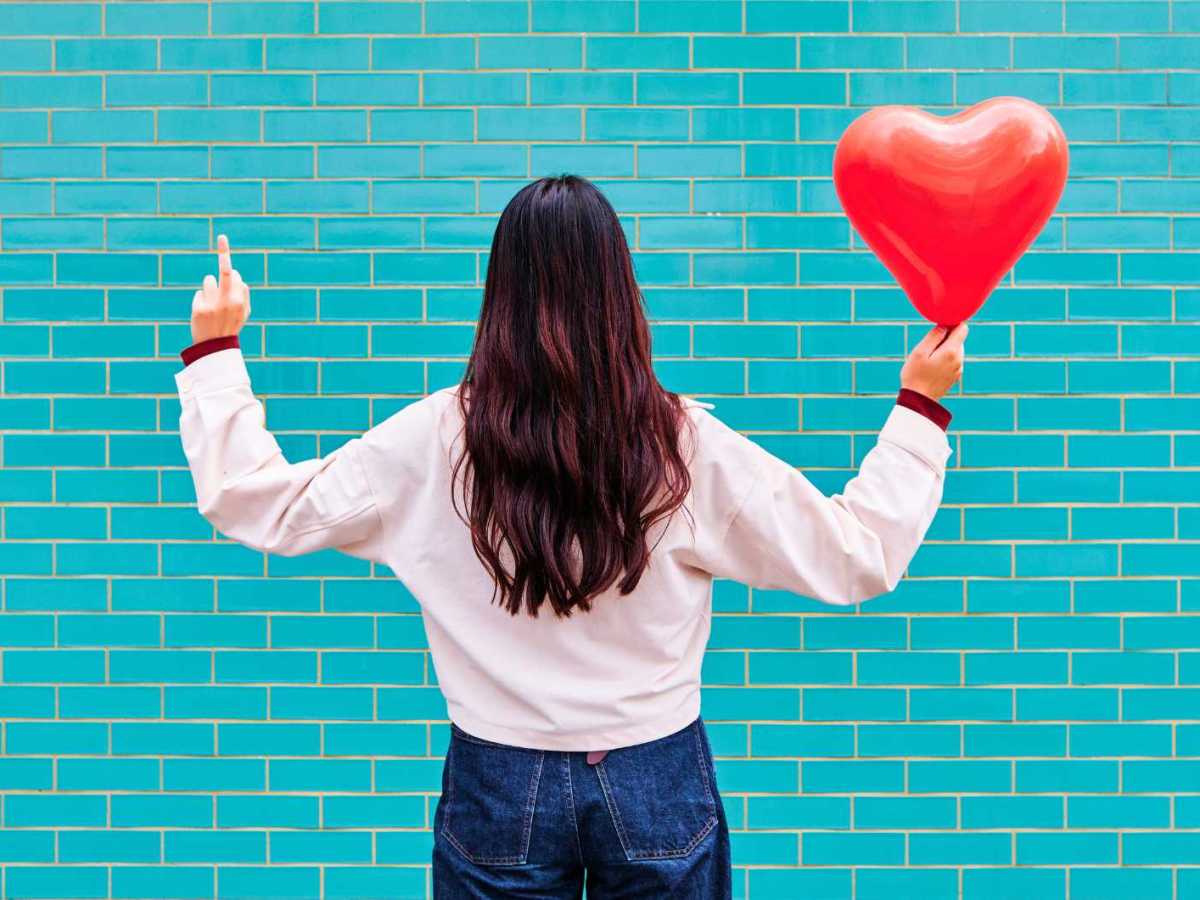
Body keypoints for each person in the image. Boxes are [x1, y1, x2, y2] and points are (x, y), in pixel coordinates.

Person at [175, 174, 967, 899]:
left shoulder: (431, 441)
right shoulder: (684, 446)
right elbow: (858, 554)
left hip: (497, 779)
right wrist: (919, 410)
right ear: (621, 292)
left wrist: (217, 351)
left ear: (499, 293)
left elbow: (257, 503)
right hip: (656, 774)